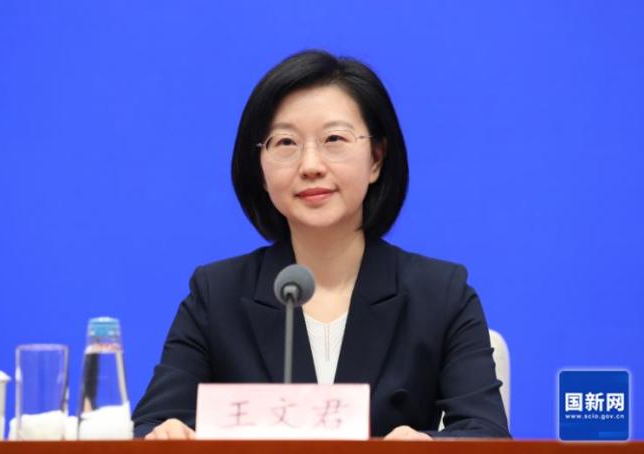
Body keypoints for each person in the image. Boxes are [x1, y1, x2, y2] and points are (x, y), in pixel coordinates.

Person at [132, 50, 510, 440]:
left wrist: (427, 445)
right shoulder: (217, 295)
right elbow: (152, 423)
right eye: (286, 142)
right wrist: (165, 436)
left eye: (334, 139)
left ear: (376, 159)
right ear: (260, 169)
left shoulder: (440, 294)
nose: (310, 165)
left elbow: (487, 433)